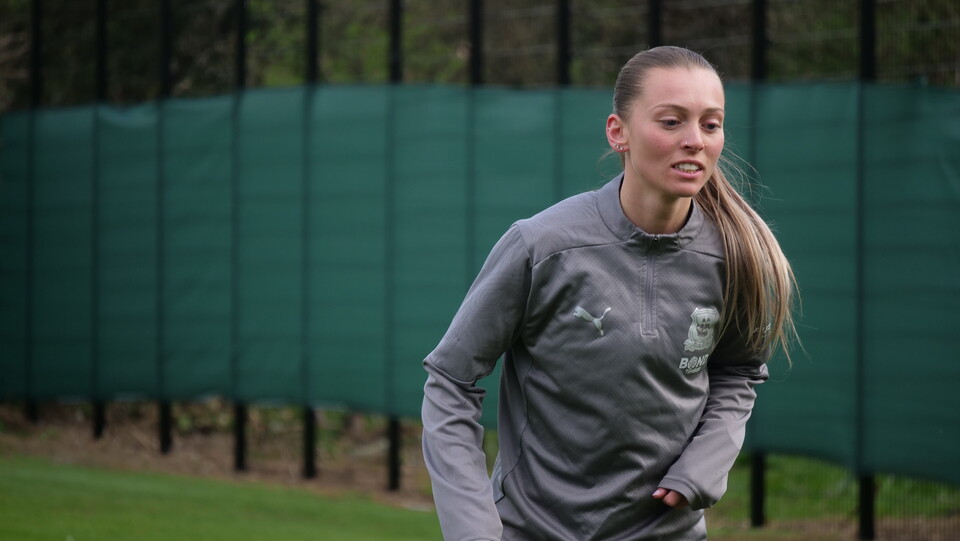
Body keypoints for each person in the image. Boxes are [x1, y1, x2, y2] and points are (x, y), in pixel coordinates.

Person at [421, 46, 798, 541]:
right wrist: (473, 530)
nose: (694, 141)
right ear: (618, 132)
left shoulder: (736, 257)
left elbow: (740, 372)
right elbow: (450, 381)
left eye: (710, 124)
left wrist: (702, 467)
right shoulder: (543, 245)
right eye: (670, 122)